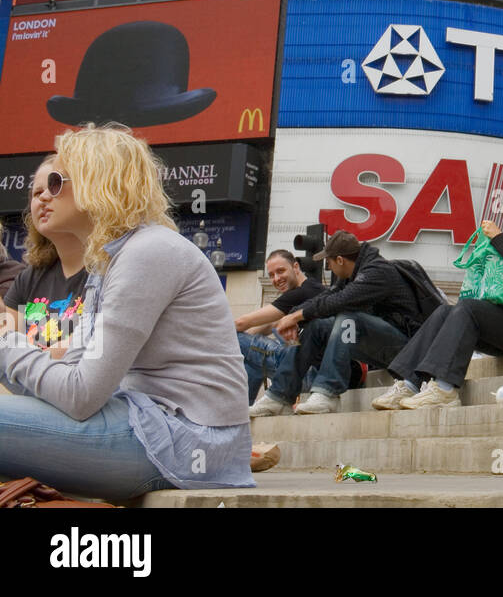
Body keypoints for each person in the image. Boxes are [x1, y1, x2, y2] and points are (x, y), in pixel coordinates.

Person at [0, 124, 252, 500]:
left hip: (180, 440)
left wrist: (8, 345)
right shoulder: (113, 260)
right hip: (157, 425)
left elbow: (82, 394)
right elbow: (75, 371)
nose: (43, 196)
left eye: (55, 181)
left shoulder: (146, 253)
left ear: (97, 179)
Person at [369, 183, 503, 410]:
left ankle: (445, 389)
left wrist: (498, 237)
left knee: (467, 308)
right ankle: (409, 383)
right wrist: (501, 241)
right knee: (446, 311)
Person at [250, 230, 420, 416]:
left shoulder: (378, 272)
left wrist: (296, 316)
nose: (328, 267)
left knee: (348, 318)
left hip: (407, 350)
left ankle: (328, 392)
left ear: (340, 260)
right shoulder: (351, 274)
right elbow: (327, 296)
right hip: (382, 345)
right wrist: (292, 317)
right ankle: (279, 396)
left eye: (328, 262)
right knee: (316, 326)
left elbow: (340, 301)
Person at [3, 156, 90, 356]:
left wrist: (22, 361)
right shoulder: (31, 276)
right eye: (37, 192)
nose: (43, 198)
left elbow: (90, 347)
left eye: (54, 186)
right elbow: (4, 344)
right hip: (30, 384)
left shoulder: (110, 267)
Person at [234, 250, 325, 402]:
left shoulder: (301, 293)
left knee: (235, 338)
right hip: (310, 373)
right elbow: (270, 325)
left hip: (308, 375)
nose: (276, 279)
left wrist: (210, 338)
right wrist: (247, 341)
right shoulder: (312, 289)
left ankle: (238, 412)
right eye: (271, 275)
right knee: (252, 356)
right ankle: (242, 408)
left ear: (295, 267)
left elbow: (242, 323)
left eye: (281, 271)